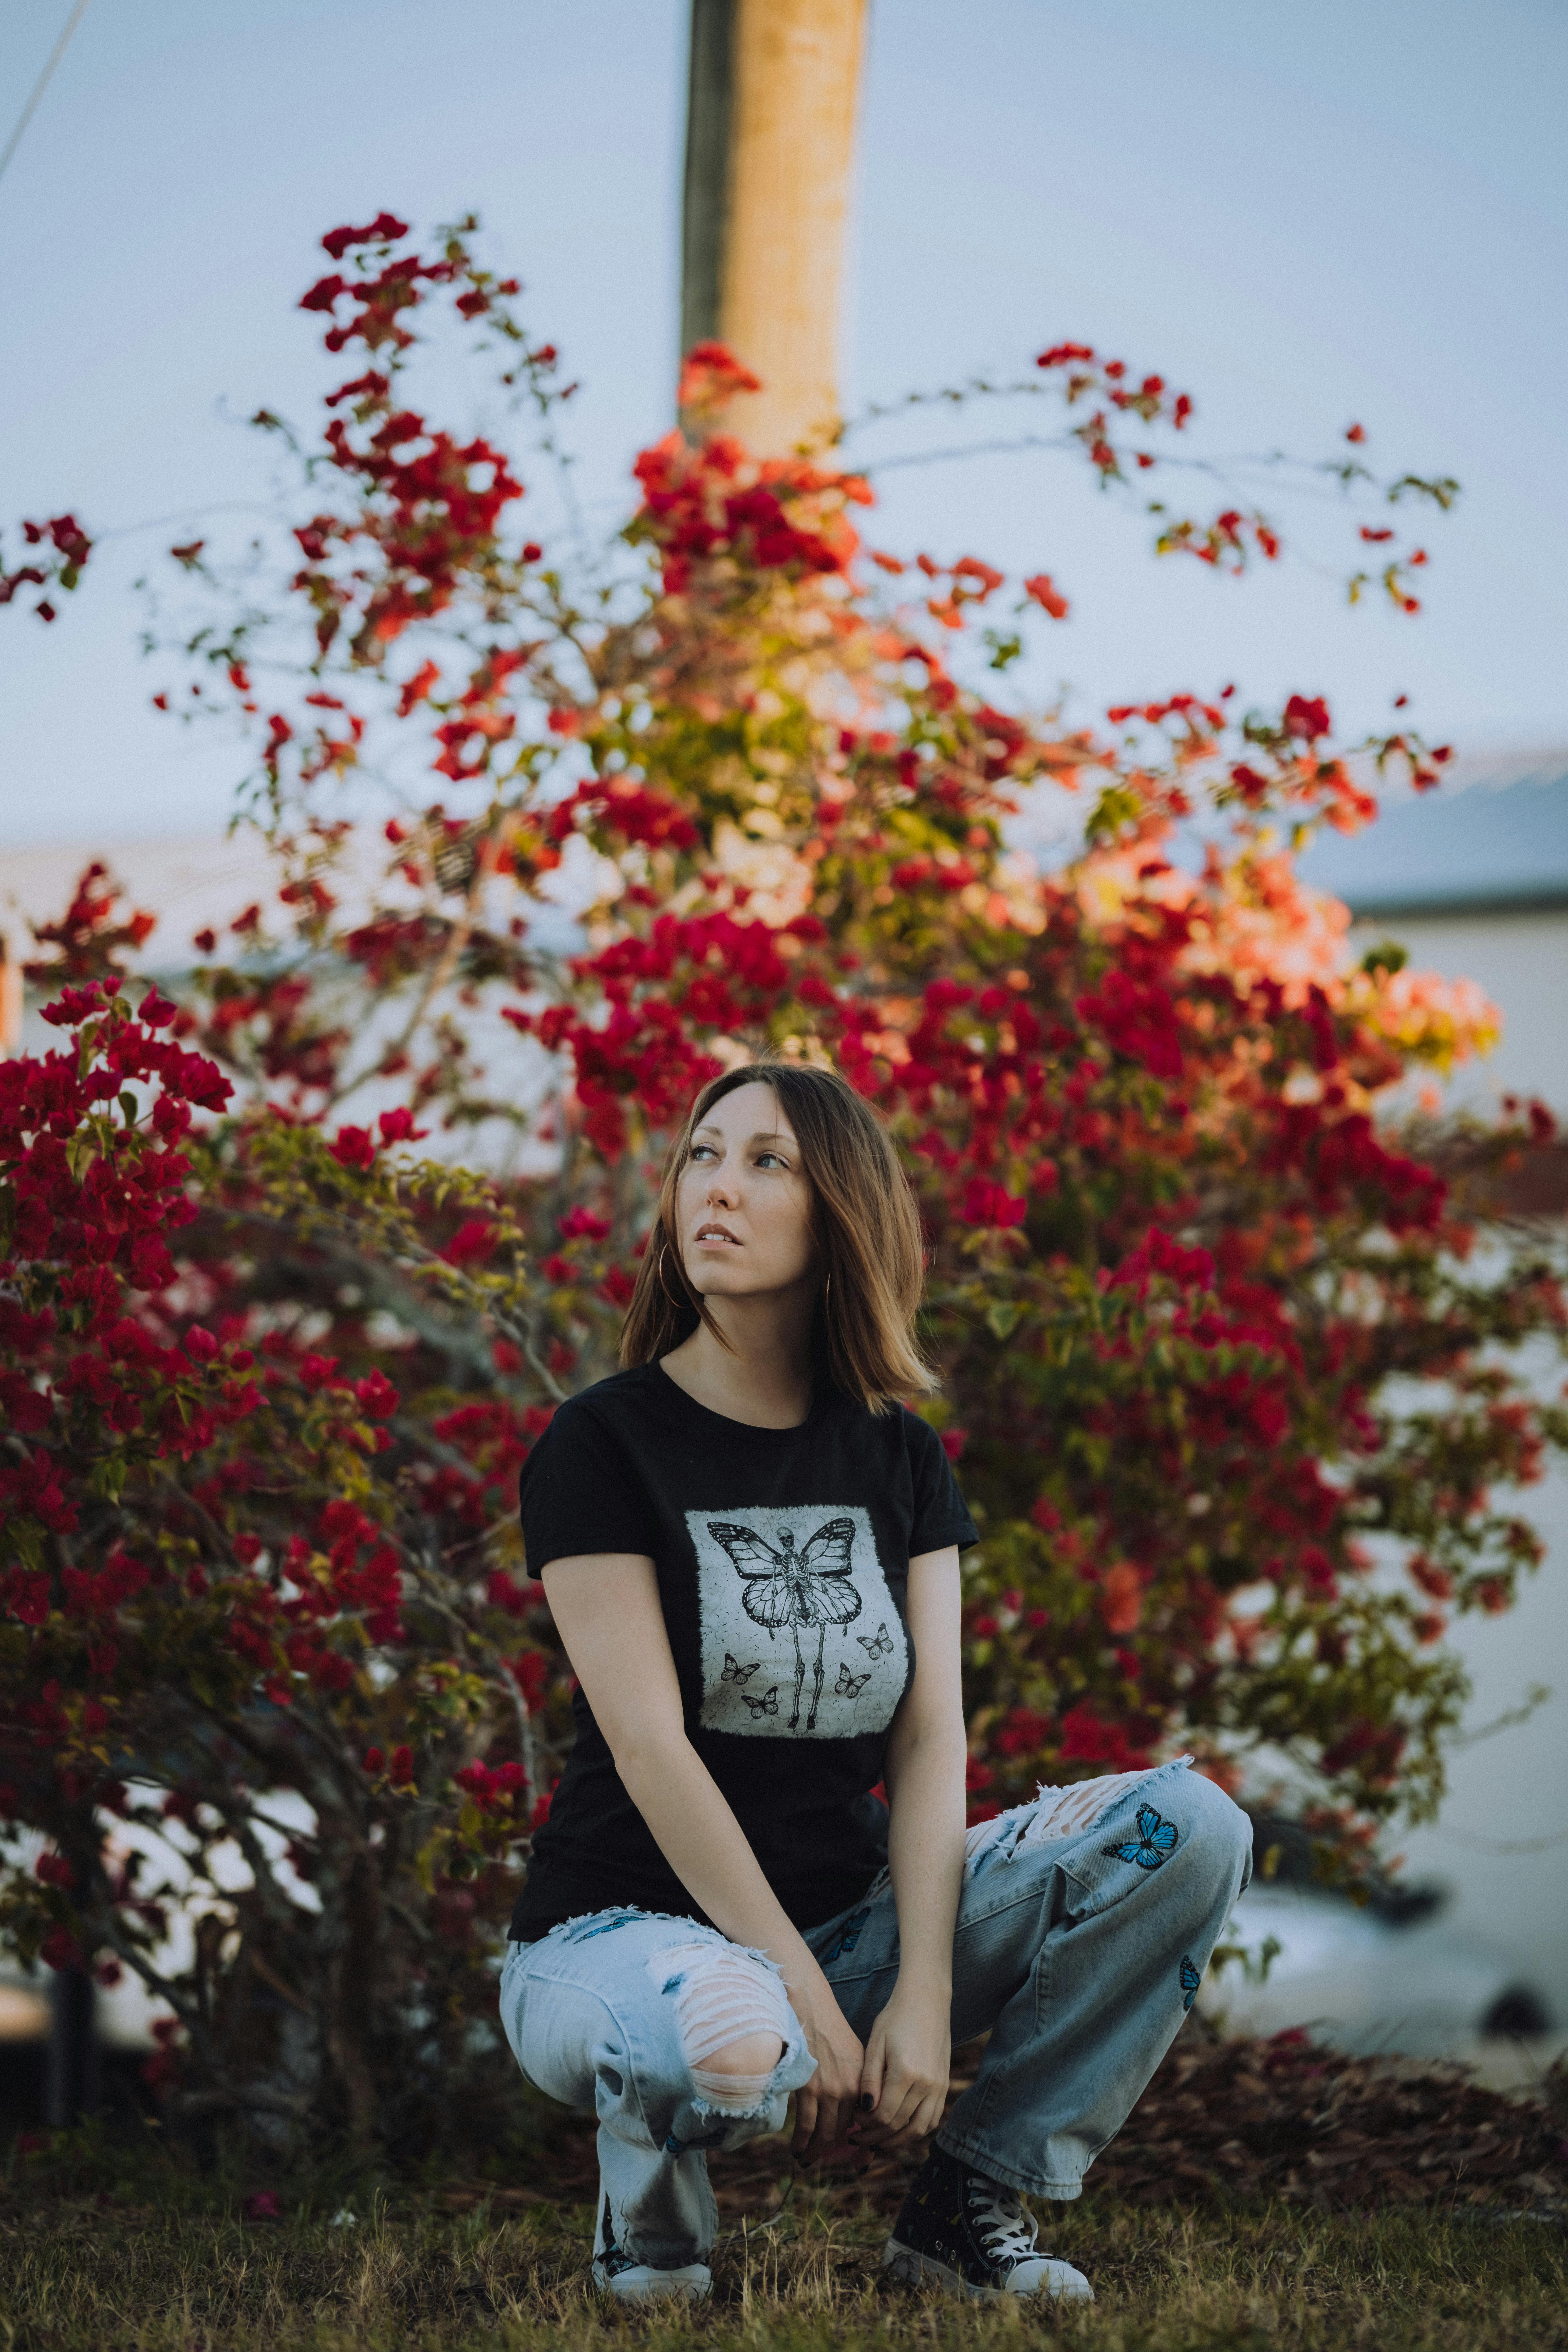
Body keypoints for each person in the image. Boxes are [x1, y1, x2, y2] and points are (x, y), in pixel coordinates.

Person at [498, 1060, 1251, 2304]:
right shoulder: (602, 1441)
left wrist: (919, 1991)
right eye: (702, 1154)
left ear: (838, 1212)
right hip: (619, 1938)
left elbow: (927, 1737)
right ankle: (652, 2227)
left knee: (1190, 1829)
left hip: (844, 1930)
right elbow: (649, 1748)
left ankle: (965, 2206)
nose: (715, 1191)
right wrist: (799, 1996)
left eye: (764, 1163)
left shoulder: (898, 1452)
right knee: (737, 2034)